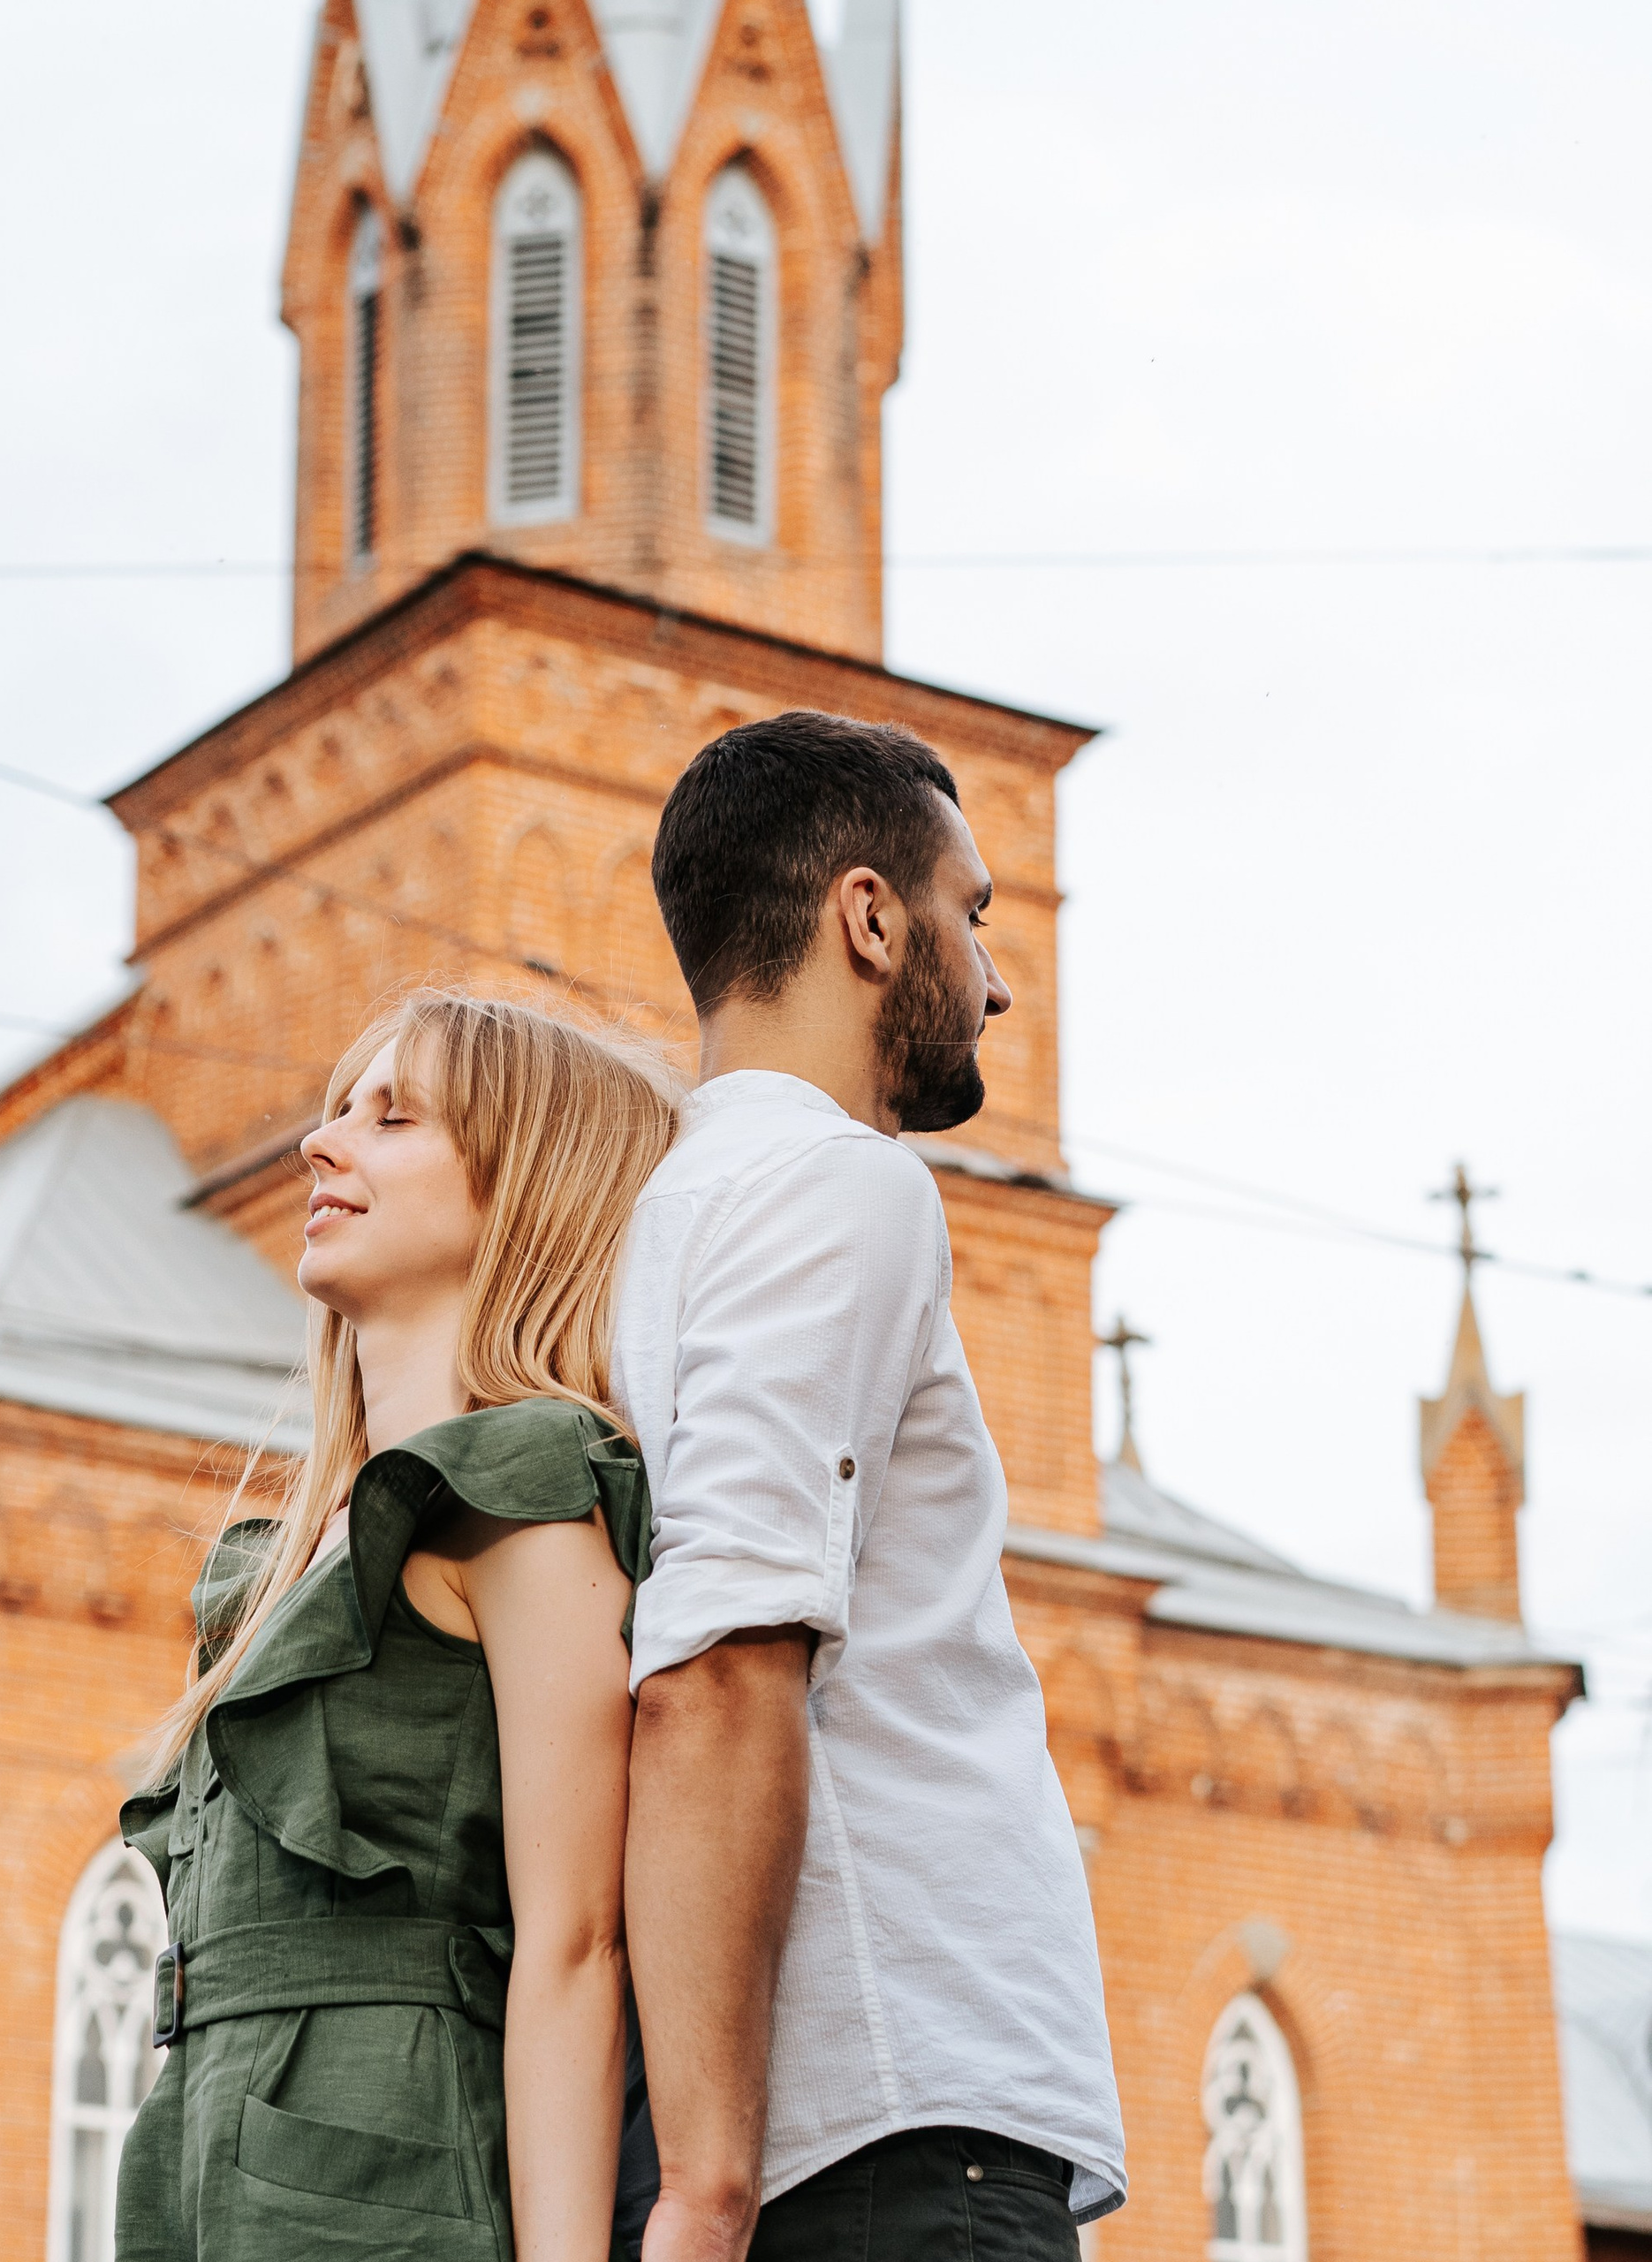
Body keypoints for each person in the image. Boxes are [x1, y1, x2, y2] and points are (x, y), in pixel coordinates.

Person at [614, 710, 1128, 2262]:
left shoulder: (650, 1218)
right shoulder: (839, 1184)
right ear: (867, 916)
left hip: (835, 2133)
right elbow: (716, 1662)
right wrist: (709, 2187)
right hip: (899, 2136)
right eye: (972, 914)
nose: (996, 975)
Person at [114, 990, 682, 2262]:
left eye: (393, 1116)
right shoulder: (284, 1557)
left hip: (390, 2183)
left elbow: (575, 1947)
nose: (323, 1146)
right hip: (202, 2170)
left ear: (524, 1186)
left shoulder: (527, 1495)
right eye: (334, 1112)